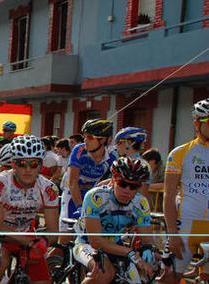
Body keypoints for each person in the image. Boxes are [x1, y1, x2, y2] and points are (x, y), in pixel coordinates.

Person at [0, 135, 59, 284]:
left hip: (28, 233)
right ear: (13, 164)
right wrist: (31, 242)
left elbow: (53, 231)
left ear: (41, 165)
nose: (28, 169)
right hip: (2, 235)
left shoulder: (49, 188)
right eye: (22, 164)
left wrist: (42, 242)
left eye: (34, 164)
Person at [73, 157, 156, 284]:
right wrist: (130, 253)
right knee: (104, 273)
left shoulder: (141, 203)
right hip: (86, 243)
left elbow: (146, 239)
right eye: (122, 184)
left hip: (116, 245)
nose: (127, 190)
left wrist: (148, 250)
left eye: (133, 186)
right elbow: (95, 241)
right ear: (112, 180)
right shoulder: (96, 197)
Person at [162, 99, 209, 284]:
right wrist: (172, 234)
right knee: (169, 278)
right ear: (197, 123)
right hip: (187, 225)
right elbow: (169, 195)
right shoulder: (180, 153)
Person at [59, 119, 116, 234]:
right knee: (66, 236)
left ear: (104, 140)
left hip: (90, 194)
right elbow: (72, 183)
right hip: (71, 192)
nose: (85, 140)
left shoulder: (112, 157)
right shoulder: (79, 150)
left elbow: (114, 181)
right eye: (84, 136)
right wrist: (80, 208)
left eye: (90, 137)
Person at [113, 127, 150, 198]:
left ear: (129, 143)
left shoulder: (142, 165)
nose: (116, 146)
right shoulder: (144, 164)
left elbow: (142, 194)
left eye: (119, 142)